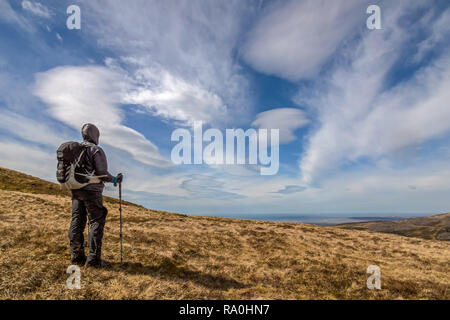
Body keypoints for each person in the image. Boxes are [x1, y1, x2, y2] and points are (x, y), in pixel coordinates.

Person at [68, 123, 123, 268]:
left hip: (75, 190)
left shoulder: (75, 151)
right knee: (96, 220)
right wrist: (115, 180)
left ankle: (76, 256)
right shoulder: (95, 150)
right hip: (91, 191)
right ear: (94, 135)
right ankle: (93, 261)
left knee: (77, 220)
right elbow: (102, 174)